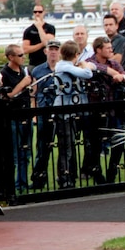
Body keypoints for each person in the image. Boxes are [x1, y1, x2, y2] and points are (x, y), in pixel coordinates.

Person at [89, 36, 125, 183]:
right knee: (95, 145)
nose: (111, 50)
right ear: (98, 50)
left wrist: (120, 76)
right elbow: (92, 68)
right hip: (96, 111)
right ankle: (97, 174)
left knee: (119, 141)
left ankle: (112, 171)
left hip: (114, 109)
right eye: (107, 48)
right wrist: (111, 72)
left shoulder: (114, 63)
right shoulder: (90, 62)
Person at [53, 41, 95, 188]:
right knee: (66, 147)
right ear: (76, 54)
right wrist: (86, 65)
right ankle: (64, 178)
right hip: (64, 110)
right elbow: (88, 74)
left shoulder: (66, 66)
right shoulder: (64, 66)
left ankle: (68, 175)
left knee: (69, 145)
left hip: (70, 110)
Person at [0, 44, 33, 192]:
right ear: (11, 57)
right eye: (20, 55)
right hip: (13, 117)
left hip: (26, 114)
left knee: (25, 151)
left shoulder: (24, 70)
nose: (23, 57)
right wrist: (23, 84)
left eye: (23, 54)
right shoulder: (4, 74)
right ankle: (11, 186)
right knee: (14, 153)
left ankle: (23, 183)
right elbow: (8, 95)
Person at [30, 40, 62, 190]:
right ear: (46, 51)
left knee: (65, 146)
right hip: (44, 111)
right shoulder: (37, 70)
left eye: (56, 49)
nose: (53, 52)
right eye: (51, 49)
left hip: (61, 111)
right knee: (42, 148)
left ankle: (65, 177)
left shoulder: (64, 68)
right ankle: (39, 179)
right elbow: (33, 93)